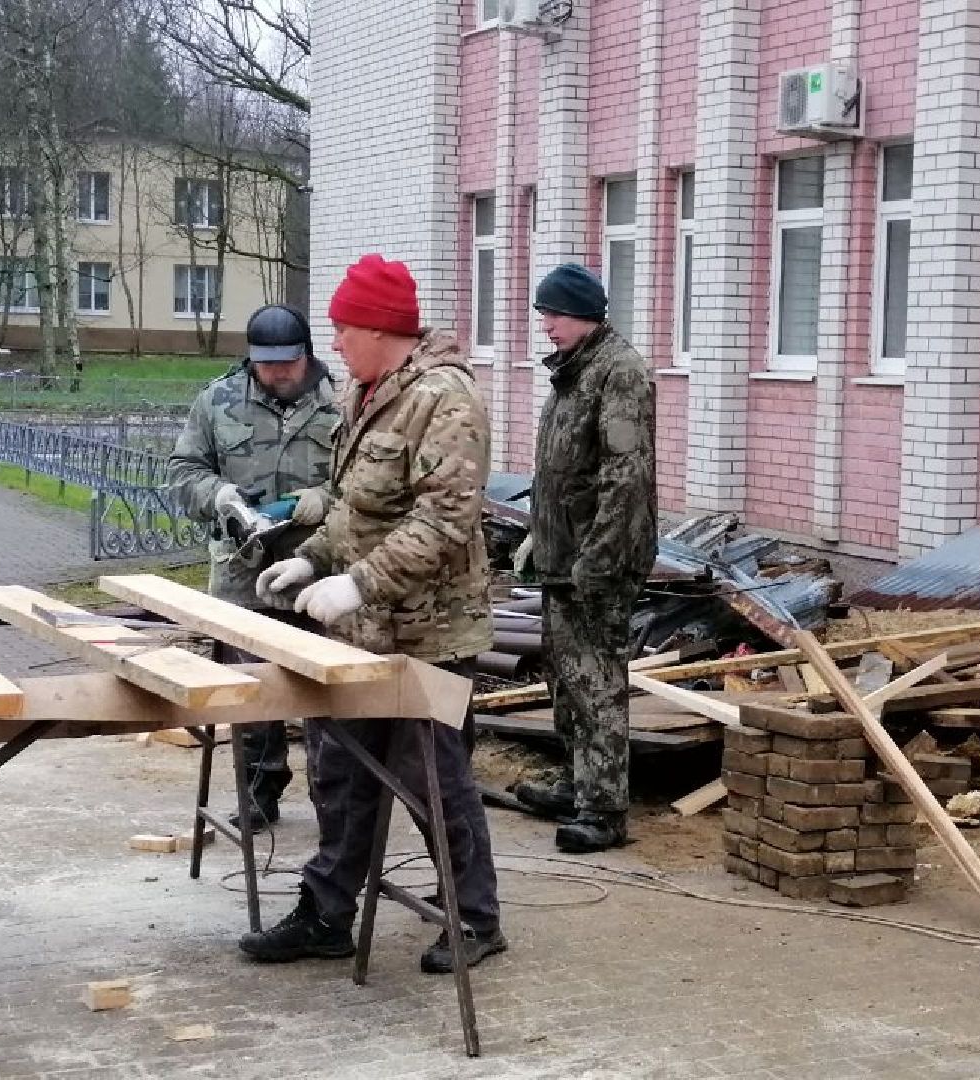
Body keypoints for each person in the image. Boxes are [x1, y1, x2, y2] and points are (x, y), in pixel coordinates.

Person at [238, 253, 505, 974]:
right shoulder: (368, 391)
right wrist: (315, 559)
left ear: (378, 329)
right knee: (341, 773)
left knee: (433, 782)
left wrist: (358, 582)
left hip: (428, 632)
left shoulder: (445, 401)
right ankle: (327, 912)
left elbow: (444, 521)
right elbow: (356, 507)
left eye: (342, 330)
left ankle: (474, 920)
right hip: (364, 629)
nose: (335, 346)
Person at [167, 303, 338, 832]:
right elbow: (181, 472)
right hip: (244, 577)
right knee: (249, 696)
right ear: (251, 359)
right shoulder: (217, 400)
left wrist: (318, 500)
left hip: (317, 572)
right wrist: (219, 496)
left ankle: (333, 798)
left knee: (326, 696)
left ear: (305, 355)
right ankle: (259, 791)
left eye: (288, 362)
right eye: (268, 365)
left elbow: (370, 487)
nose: (279, 373)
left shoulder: (344, 403)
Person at [511, 263, 657, 854]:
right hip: (563, 554)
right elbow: (561, 472)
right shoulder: (575, 372)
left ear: (586, 315)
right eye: (543, 314)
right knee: (566, 677)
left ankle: (603, 807)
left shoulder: (619, 372)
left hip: (598, 562)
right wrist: (537, 540)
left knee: (597, 682)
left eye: (554, 314)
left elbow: (625, 481)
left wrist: (596, 562)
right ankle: (576, 781)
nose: (546, 325)